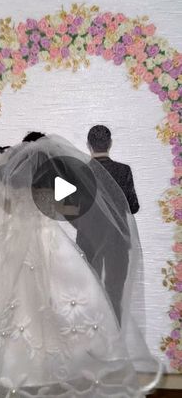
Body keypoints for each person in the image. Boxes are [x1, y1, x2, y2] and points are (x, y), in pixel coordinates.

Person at [0, 134, 161, 397]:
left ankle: (11, 369)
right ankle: (59, 368)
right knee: (55, 299)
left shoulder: (6, 173)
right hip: (47, 236)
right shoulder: (52, 175)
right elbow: (67, 208)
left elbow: (6, 207)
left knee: (9, 300)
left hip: (10, 237)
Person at [76, 125, 139, 325]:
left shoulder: (79, 171)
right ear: (110, 144)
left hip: (88, 238)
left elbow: (68, 207)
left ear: (88, 145)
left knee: (88, 289)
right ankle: (115, 338)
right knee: (114, 291)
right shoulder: (123, 170)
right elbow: (133, 206)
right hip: (117, 239)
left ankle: (93, 339)